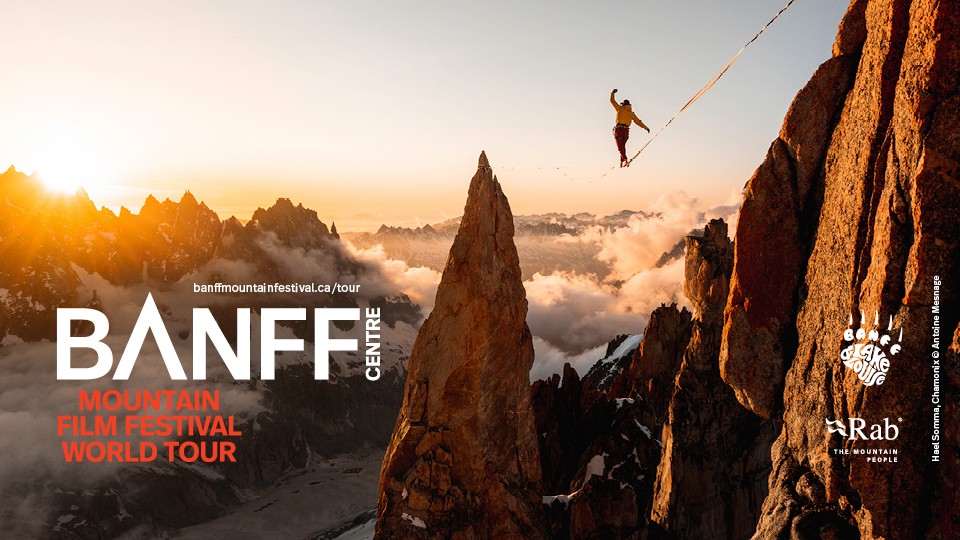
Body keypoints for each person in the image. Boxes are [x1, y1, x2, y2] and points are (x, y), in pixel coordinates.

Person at [610, 89, 650, 167]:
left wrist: (612, 93)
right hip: (626, 131)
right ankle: (622, 162)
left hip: (619, 129)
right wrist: (645, 127)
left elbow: (612, 101)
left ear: (623, 104)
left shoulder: (619, 108)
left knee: (620, 147)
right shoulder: (631, 113)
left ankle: (625, 159)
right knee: (622, 147)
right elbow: (638, 122)